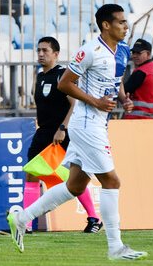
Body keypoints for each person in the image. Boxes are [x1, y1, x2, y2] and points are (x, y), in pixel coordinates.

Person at [6, 4, 147, 261]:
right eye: (121, 22)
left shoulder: (123, 50)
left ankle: (21, 218)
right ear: (106, 25)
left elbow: (117, 79)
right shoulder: (89, 51)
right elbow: (64, 83)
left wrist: (124, 98)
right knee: (112, 181)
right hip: (86, 123)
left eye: (126, 22)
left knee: (74, 185)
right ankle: (115, 247)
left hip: (98, 122)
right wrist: (95, 101)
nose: (126, 26)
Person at [20, 37, 104, 233]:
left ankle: (94, 219)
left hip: (62, 133)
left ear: (56, 54)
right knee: (31, 174)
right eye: (38, 50)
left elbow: (75, 104)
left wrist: (63, 128)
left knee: (75, 178)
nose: (41, 54)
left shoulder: (62, 76)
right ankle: (26, 224)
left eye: (45, 51)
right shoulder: (40, 76)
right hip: (44, 132)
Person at [122, 39, 153, 119]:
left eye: (138, 53)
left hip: (138, 118)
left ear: (148, 54)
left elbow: (124, 91)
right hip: (151, 118)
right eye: (133, 53)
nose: (134, 56)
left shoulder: (142, 71)